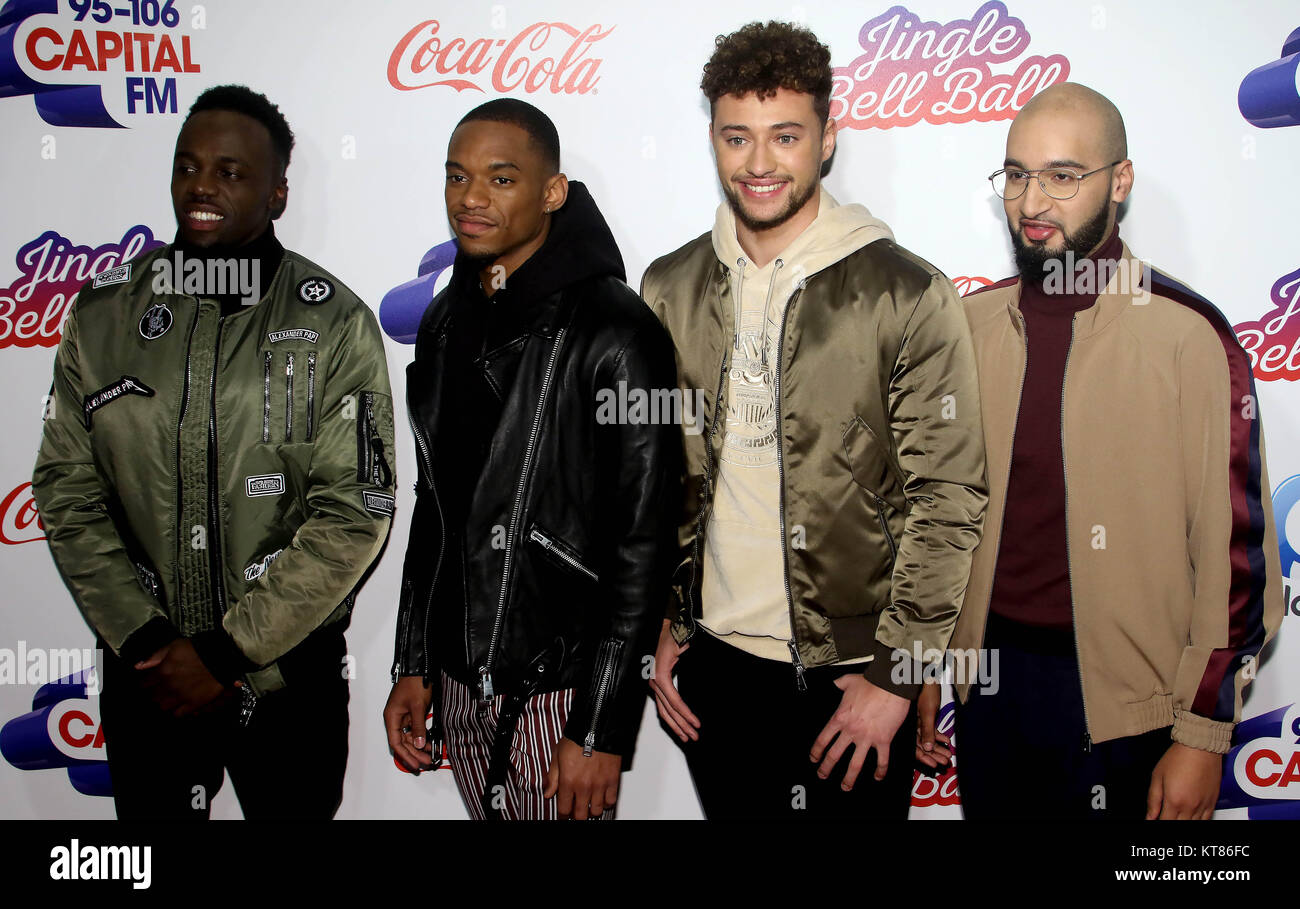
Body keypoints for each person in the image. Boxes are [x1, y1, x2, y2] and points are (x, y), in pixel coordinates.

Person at [641, 21, 987, 819]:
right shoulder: (669, 286)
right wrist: (665, 620)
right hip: (716, 672)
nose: (759, 163)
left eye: (785, 136)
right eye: (738, 137)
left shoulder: (907, 293)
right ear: (714, 141)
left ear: (827, 140)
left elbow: (949, 498)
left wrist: (898, 677)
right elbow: (655, 478)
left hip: (855, 676)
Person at [916, 82, 1283, 820]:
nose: (1032, 201)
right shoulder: (968, 326)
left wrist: (1204, 735)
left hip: (1133, 711)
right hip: (988, 691)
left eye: (1061, 175)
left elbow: (1237, 561)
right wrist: (930, 660)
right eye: (1016, 175)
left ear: (1119, 182)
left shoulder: (1188, 337)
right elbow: (939, 516)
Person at [32, 85, 396, 819]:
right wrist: (147, 639)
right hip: (149, 675)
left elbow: (356, 510)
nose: (202, 185)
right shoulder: (105, 315)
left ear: (277, 193)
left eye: (231, 171)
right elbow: (67, 489)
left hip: (288, 683)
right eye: (188, 166)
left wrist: (225, 654)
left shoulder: (334, 322)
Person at [383, 99, 678, 821]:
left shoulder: (620, 331)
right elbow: (435, 505)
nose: (471, 198)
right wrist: (414, 660)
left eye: (500, 178)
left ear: (553, 192)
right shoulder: (448, 319)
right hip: (459, 680)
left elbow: (645, 542)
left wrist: (601, 724)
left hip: (557, 690)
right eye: (457, 177)